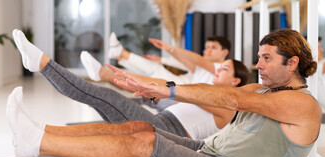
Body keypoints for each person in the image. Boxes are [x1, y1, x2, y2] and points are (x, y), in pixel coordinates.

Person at [7, 29, 321, 157]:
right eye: (259, 57)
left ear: (292, 63)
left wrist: (169, 90)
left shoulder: (303, 106)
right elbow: (215, 94)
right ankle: (40, 133)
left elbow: (231, 100)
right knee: (136, 129)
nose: (258, 65)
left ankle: (37, 143)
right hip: (207, 153)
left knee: (144, 145)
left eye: (266, 59)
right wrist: (149, 85)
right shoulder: (263, 89)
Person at [11, 29, 248, 140]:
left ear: (236, 81)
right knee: (104, 124)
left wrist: (150, 84)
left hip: (168, 132)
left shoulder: (228, 106)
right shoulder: (209, 89)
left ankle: (41, 64)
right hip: (163, 123)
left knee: (105, 97)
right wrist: (130, 79)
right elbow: (179, 89)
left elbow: (185, 93)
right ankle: (38, 133)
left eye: (224, 69)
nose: (218, 70)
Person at [91, 33, 231, 86]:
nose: (208, 50)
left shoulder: (222, 67)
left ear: (224, 52)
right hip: (185, 83)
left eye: (213, 47)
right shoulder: (205, 66)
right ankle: (121, 56)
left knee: (154, 72)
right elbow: (185, 64)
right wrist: (161, 60)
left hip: (186, 88)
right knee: (153, 70)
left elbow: (196, 61)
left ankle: (118, 58)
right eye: (207, 47)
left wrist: (169, 48)